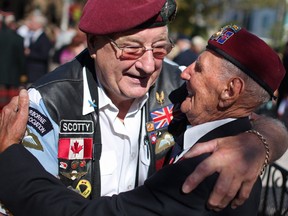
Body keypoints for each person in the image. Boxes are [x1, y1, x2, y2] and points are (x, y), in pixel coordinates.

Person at [14, 0, 288, 213]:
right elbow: (23, 196)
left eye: (159, 48)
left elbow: (250, 115)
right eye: (131, 48)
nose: (148, 66)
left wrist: (257, 144)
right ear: (94, 44)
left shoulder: (179, 84)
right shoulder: (46, 103)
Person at [0, 11, 26, 111]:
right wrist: (23, 74)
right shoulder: (18, 38)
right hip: (13, 76)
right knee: (10, 106)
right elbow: (21, 59)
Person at [23, 11, 53, 84]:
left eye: (32, 22)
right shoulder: (33, 35)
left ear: (39, 24)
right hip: (31, 71)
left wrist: (29, 53)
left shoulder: (44, 38)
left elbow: (44, 55)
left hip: (38, 73)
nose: (31, 24)